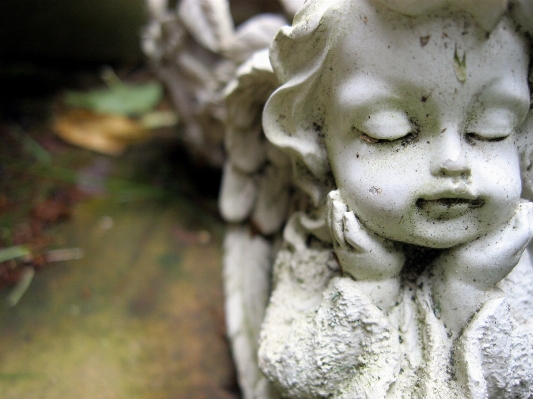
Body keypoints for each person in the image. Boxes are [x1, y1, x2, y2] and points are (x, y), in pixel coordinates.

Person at [258, 0, 533, 397]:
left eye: (491, 130)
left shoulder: (504, 257)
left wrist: (467, 290)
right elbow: (286, 369)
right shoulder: (320, 251)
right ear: (318, 140)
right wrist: (372, 287)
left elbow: (521, 378)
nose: (453, 162)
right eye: (390, 131)